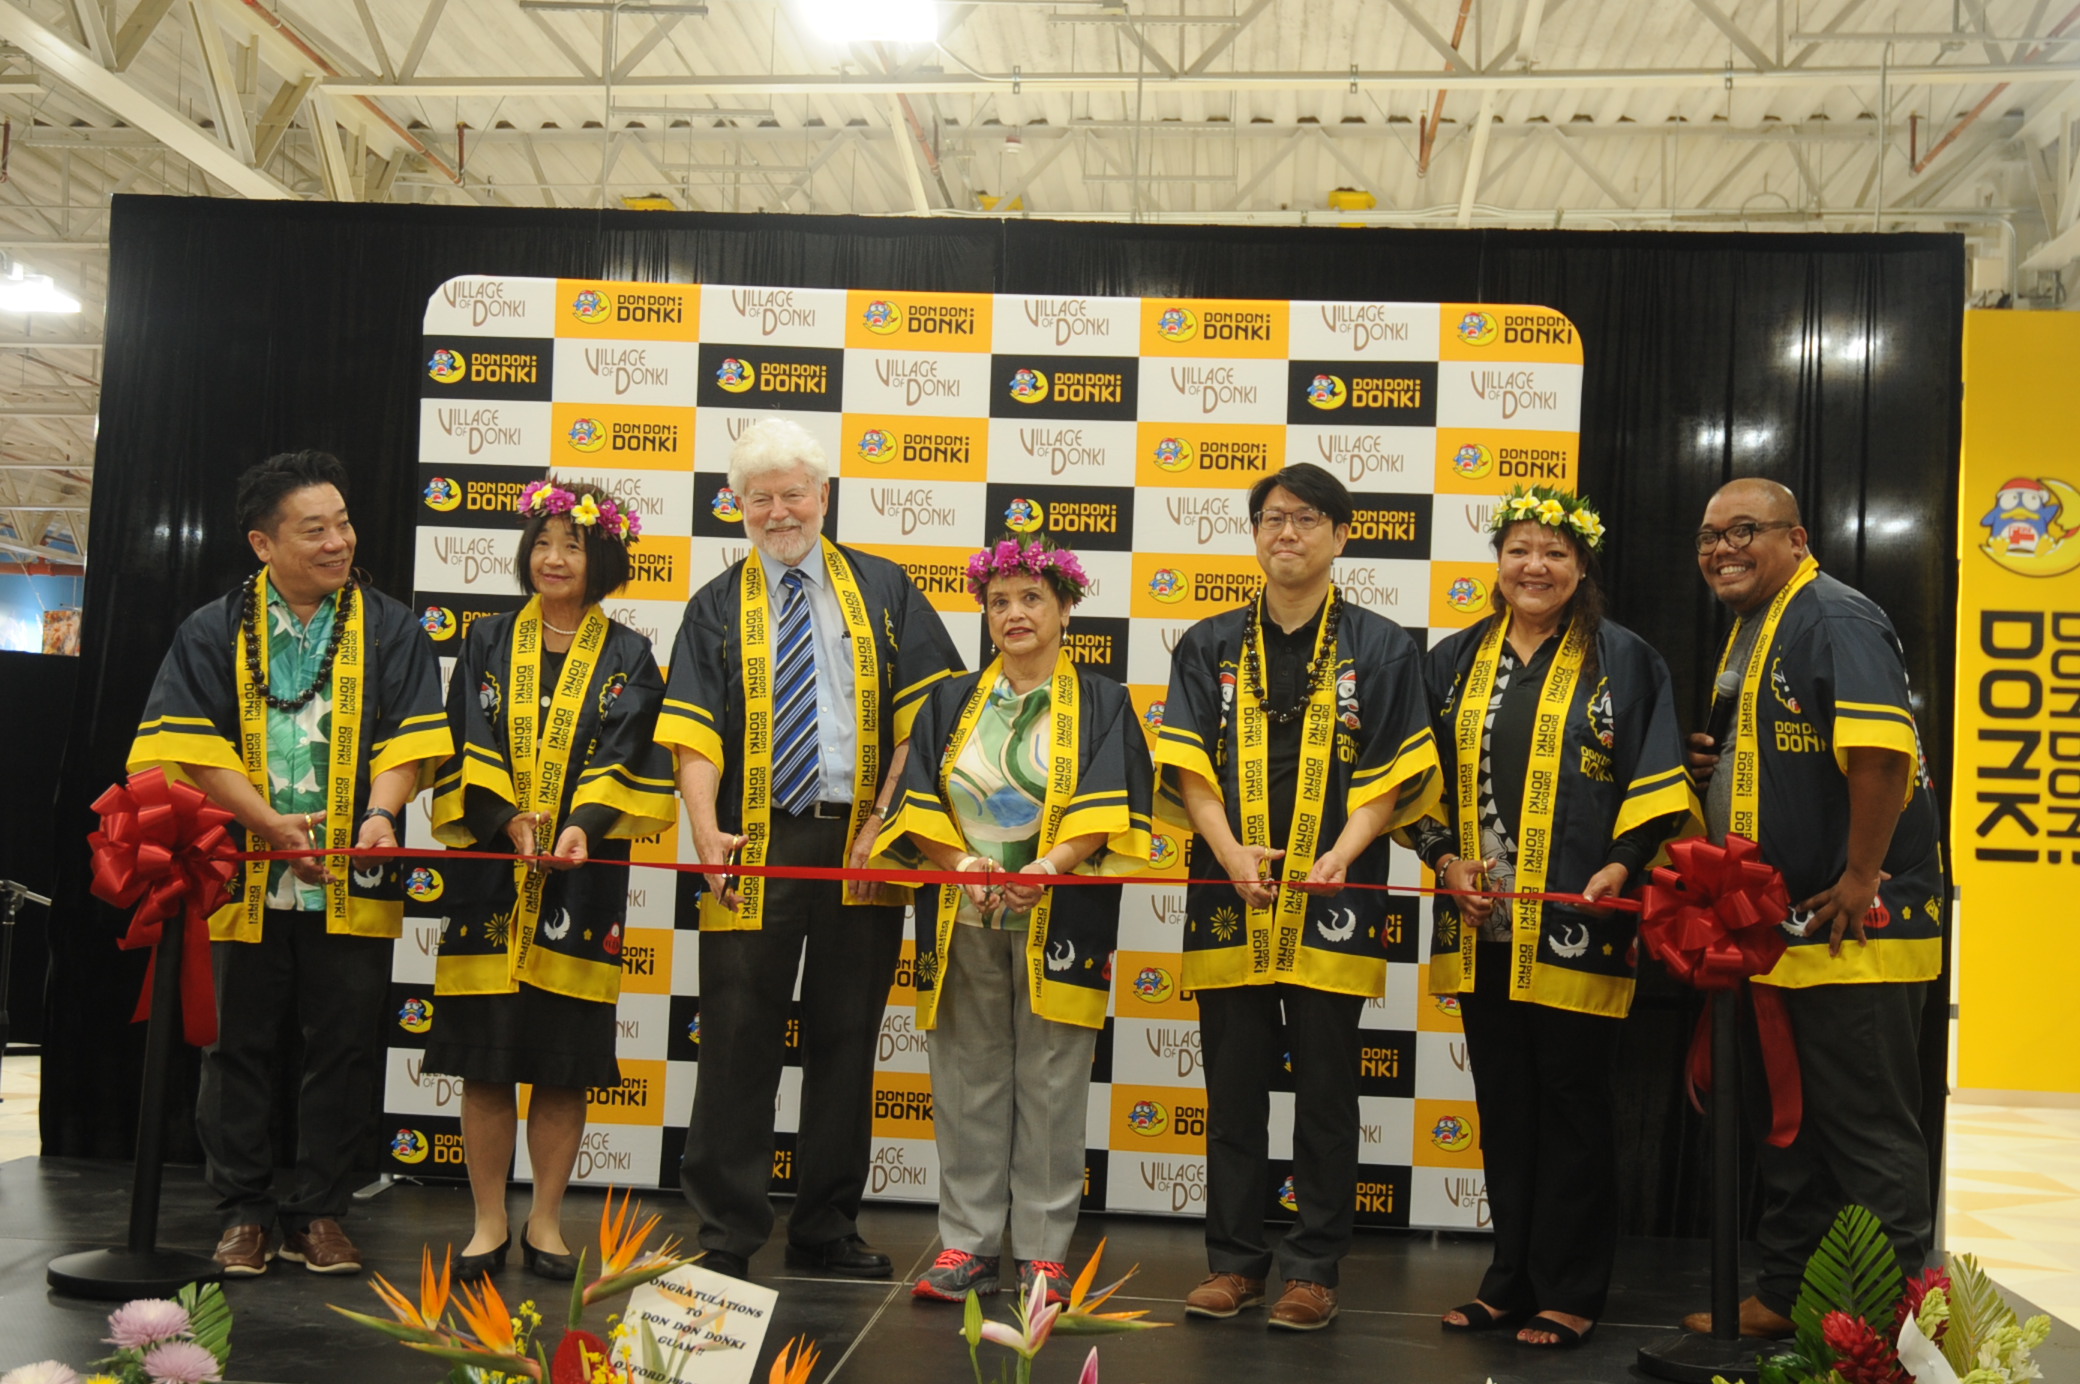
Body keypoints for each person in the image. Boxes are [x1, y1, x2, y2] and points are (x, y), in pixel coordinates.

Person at [127, 449, 452, 1275]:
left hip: (351, 874)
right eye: (315, 530)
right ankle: (242, 1212)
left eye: (342, 522)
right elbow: (185, 748)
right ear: (263, 544)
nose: (339, 541)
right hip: (239, 875)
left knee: (341, 1049)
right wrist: (269, 825)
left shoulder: (389, 625)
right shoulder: (209, 629)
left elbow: (410, 738)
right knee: (234, 1048)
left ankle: (319, 1213)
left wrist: (382, 815)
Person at [658, 417, 962, 1280]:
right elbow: (692, 734)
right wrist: (704, 827)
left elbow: (925, 719)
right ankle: (725, 1235)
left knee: (844, 1037)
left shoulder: (884, 587)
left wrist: (884, 820)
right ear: (738, 508)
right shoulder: (715, 604)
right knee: (736, 1037)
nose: (779, 511)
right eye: (761, 499)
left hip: (862, 842)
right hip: (751, 840)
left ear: (823, 497)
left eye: (794, 493)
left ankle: (827, 1228)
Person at [1155, 462, 1443, 1332]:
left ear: (1341, 534)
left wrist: (1340, 856)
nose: (1288, 533)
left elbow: (1392, 774)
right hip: (1227, 889)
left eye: (1308, 519)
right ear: (1254, 534)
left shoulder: (1382, 644)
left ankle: (1313, 1270)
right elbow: (1189, 769)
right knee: (1232, 1087)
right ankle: (1234, 1264)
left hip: (1338, 892)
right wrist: (1229, 851)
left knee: (1328, 1090)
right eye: (1273, 518)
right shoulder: (1207, 643)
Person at [1409, 486, 1699, 1349]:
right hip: (1480, 921)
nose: (1535, 566)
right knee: (1504, 1102)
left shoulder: (1626, 660)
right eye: (1520, 550)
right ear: (1498, 564)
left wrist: (1621, 865)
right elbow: (1411, 786)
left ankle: (1572, 1288)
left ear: (1582, 567)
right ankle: (1510, 1279)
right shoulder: (1454, 661)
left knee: (1574, 1101)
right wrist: (1442, 858)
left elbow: (1657, 786)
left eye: (1555, 553)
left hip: (1583, 917)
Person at [1679, 478, 1944, 1338]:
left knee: (1867, 1135)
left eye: (1744, 531)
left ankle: (1900, 1327)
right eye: (1710, 536)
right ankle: (1791, 1295)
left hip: (1854, 928)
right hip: (1778, 935)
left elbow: (1879, 754)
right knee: (1788, 1135)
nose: (1723, 549)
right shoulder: (1756, 627)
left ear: (1796, 538)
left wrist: (1864, 877)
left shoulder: (1832, 614)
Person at [870, 537, 1153, 1306]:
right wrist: (961, 865)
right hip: (962, 912)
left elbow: (1113, 801)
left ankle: (1042, 1252)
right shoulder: (950, 699)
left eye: (1031, 598)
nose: (1014, 614)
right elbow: (917, 801)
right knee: (965, 1079)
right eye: (999, 602)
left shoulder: (1104, 700)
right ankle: (964, 1244)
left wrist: (1048, 868)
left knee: (1056, 1080)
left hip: (1059, 914)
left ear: (1066, 609)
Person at [422, 479, 674, 1281]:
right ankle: (489, 1219)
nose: (553, 557)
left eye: (571, 543)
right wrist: (505, 817)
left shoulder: (631, 653)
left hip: (580, 876)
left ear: (601, 556)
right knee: (486, 1057)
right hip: (494, 870)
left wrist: (580, 827)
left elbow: (630, 752)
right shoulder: (488, 639)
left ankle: (548, 1222)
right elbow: (468, 735)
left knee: (566, 1062)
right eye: (542, 542)